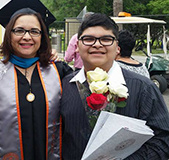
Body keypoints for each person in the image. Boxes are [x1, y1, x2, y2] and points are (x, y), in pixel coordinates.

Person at [60, 13, 169, 159]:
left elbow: (163, 140)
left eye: (106, 39)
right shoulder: (64, 86)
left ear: (117, 48)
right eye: (88, 39)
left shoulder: (144, 88)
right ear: (77, 46)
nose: (97, 44)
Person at [0, 0, 73, 159]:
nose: (27, 37)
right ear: (9, 35)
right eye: (19, 30)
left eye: (34, 31)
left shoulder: (60, 71)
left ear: (42, 37)